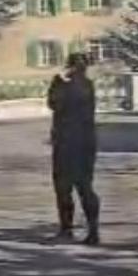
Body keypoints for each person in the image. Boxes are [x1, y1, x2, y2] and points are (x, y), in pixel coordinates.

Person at [47, 52, 100, 245]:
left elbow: (54, 104)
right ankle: (92, 231)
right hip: (86, 143)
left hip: (67, 143)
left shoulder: (68, 85)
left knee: (64, 188)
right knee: (84, 187)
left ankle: (67, 230)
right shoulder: (88, 85)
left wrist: (58, 83)